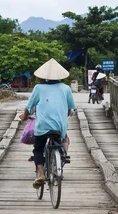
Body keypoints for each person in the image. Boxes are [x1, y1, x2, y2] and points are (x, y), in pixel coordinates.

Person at [20, 59, 76, 189]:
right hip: (59, 126)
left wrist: (24, 116)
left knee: (38, 148)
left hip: (42, 126)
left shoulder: (38, 88)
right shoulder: (66, 88)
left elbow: (29, 108)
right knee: (63, 138)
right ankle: (61, 157)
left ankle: (41, 174)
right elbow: (71, 109)